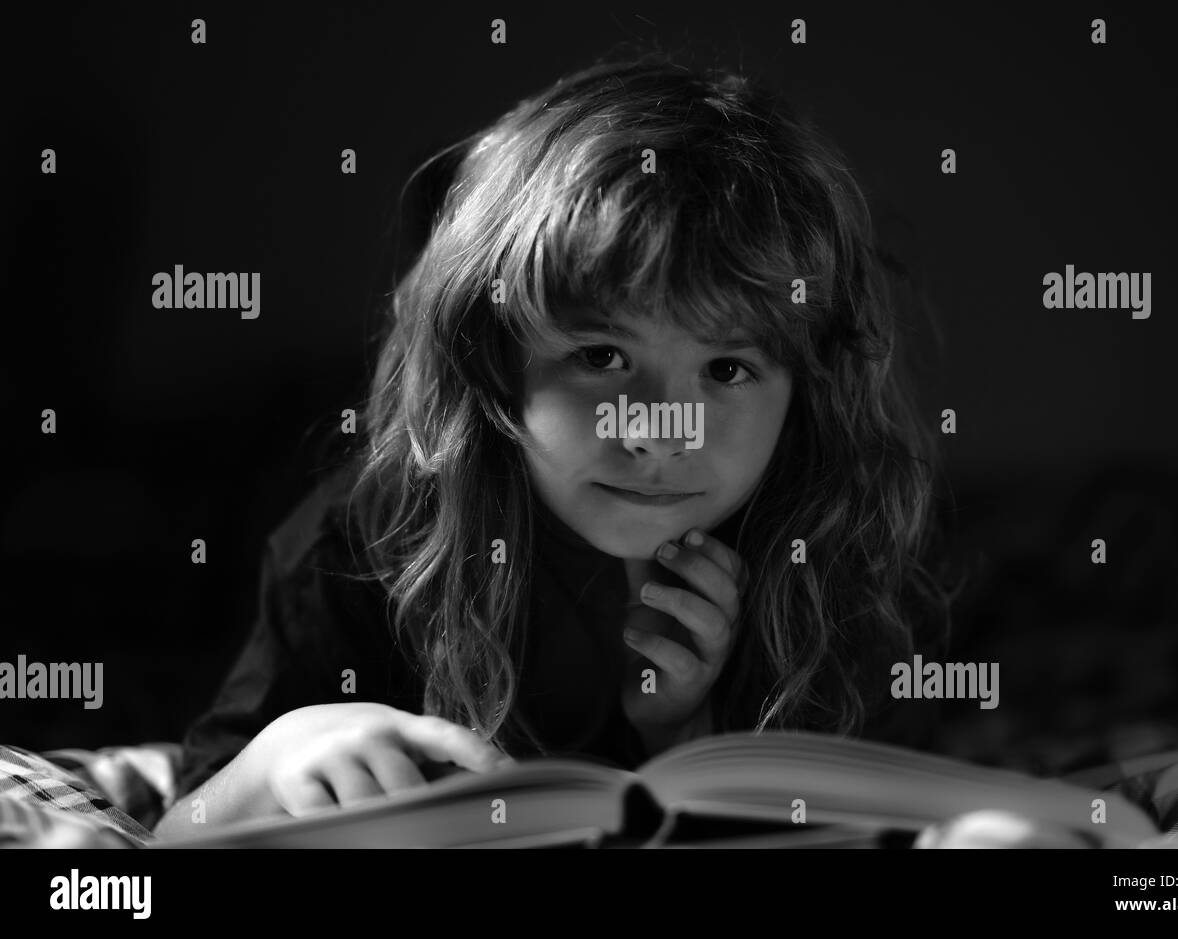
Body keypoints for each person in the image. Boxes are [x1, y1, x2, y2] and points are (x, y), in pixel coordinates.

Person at [152, 52, 957, 839]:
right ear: (493, 358)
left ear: (805, 394)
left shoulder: (825, 556)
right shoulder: (362, 546)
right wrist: (274, 764)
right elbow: (175, 830)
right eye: (601, 357)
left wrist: (682, 737)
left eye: (727, 367)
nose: (657, 431)